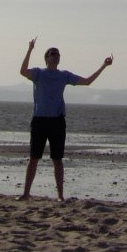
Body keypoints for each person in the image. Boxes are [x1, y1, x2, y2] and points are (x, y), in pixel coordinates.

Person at [19, 38, 113, 202]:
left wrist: (104, 66)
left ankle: (60, 196)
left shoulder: (64, 75)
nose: (55, 57)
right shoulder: (39, 74)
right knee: (34, 158)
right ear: (46, 58)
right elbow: (23, 71)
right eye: (52, 54)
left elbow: (87, 81)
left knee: (57, 159)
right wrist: (29, 49)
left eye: (57, 55)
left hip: (57, 121)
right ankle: (26, 194)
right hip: (39, 120)